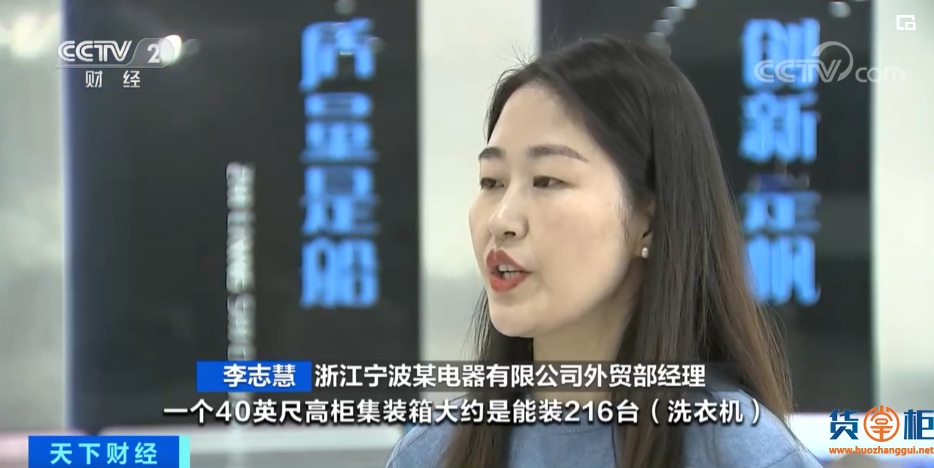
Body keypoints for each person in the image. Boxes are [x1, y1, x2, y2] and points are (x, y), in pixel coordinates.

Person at [387, 36, 821, 468]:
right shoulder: (432, 451)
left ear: (648, 220)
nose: (501, 219)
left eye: (547, 181)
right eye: (492, 181)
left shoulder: (739, 452)